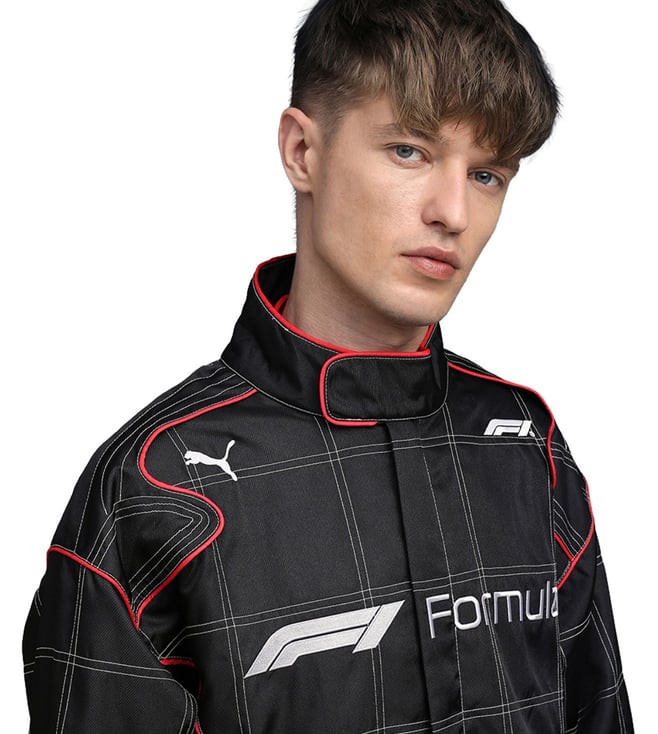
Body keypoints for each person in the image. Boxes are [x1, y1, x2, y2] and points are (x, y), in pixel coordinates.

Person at [23, 0, 633, 731]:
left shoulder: (523, 443)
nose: (453, 213)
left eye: (487, 174)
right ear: (302, 152)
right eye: (409, 151)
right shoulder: (155, 486)